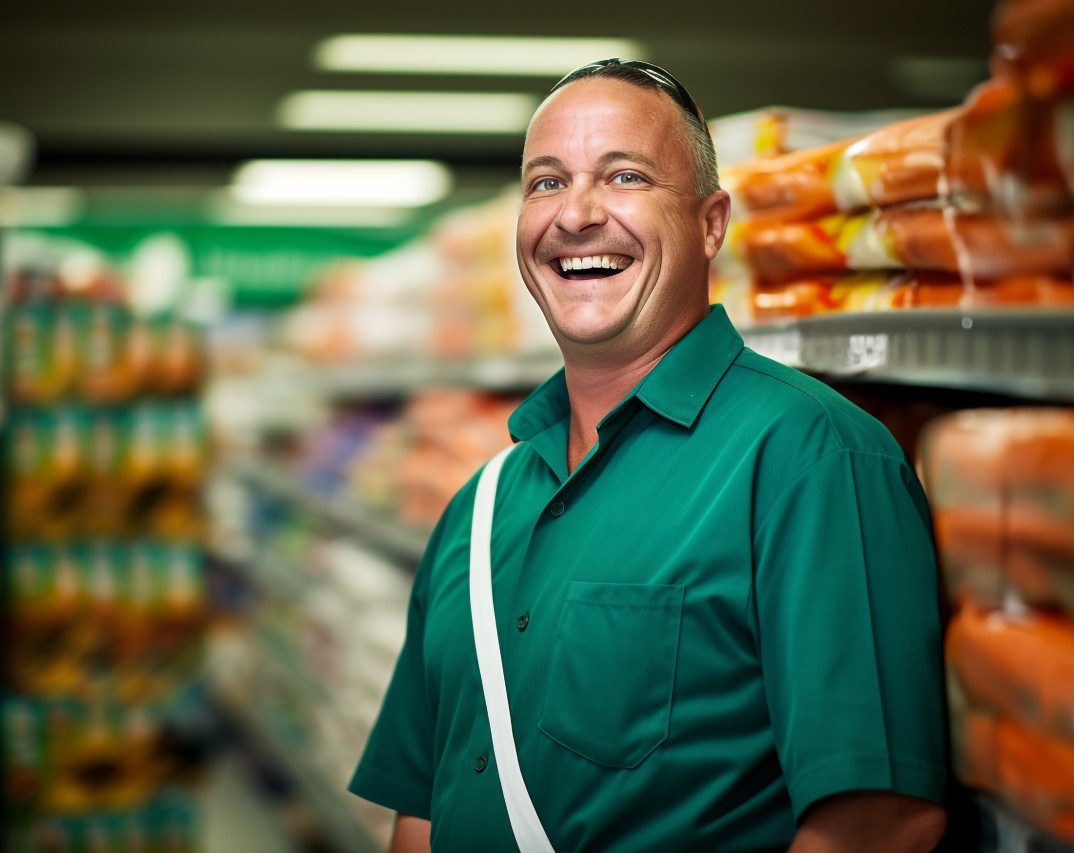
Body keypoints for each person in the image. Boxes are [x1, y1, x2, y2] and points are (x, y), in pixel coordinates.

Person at [349, 59, 948, 853]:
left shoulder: (811, 459)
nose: (576, 215)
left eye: (625, 176)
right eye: (546, 182)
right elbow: (423, 804)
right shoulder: (480, 504)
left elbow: (880, 822)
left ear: (710, 224)